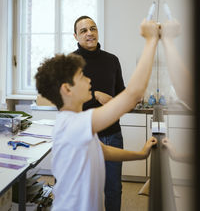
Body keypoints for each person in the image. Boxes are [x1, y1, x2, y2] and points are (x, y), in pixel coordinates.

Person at [35, 19, 159, 211]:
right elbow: (132, 94)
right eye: (82, 77)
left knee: (113, 188)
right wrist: (151, 40)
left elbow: (103, 150)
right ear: (67, 89)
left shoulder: (75, 124)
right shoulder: (74, 125)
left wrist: (141, 154)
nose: (89, 81)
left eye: (93, 28)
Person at [73, 15, 125, 211]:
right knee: (85, 190)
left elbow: (121, 93)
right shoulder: (69, 62)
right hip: (83, 137)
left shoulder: (112, 60)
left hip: (112, 134)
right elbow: (62, 101)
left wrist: (123, 100)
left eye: (93, 29)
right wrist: (95, 95)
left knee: (114, 189)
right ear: (75, 36)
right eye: (84, 30)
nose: (89, 33)